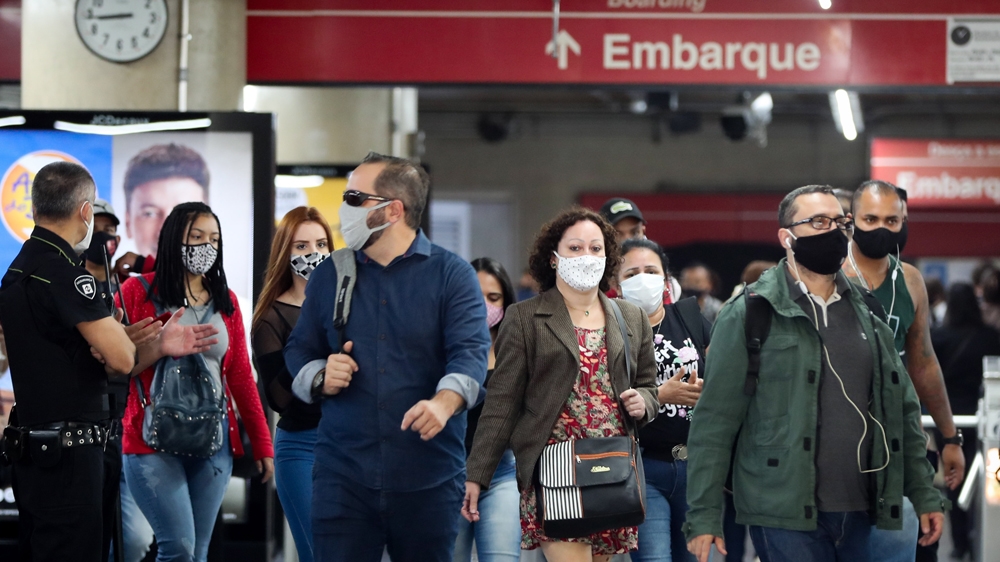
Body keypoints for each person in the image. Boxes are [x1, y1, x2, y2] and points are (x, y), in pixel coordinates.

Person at [685, 185, 946, 562]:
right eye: (819, 222)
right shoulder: (750, 312)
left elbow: (902, 410)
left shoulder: (868, 313)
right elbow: (714, 422)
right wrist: (704, 515)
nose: (834, 231)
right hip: (782, 510)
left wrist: (924, 493)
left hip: (865, 507)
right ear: (786, 237)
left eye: (840, 222)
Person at [284, 152, 491, 562]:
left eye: (354, 197)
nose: (343, 208)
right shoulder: (330, 274)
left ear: (393, 210)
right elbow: (300, 348)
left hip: (428, 480)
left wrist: (443, 402)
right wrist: (321, 374)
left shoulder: (452, 276)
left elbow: (470, 354)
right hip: (342, 478)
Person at [464, 207, 660, 562]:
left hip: (612, 467)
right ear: (553, 258)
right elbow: (501, 403)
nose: (587, 257)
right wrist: (478, 474)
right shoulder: (525, 317)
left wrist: (644, 401)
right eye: (575, 248)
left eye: (596, 248)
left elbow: (649, 384)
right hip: (555, 471)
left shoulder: (630, 316)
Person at [118, 202, 274, 562]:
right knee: (179, 549)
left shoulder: (227, 300)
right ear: (174, 240)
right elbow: (115, 367)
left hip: (213, 439)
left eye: (214, 239)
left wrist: (263, 444)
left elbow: (240, 376)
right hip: (149, 439)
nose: (207, 246)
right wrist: (159, 348)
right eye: (196, 237)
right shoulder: (135, 292)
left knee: (198, 552)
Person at [0, 162, 137, 562]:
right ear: (84, 212)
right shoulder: (64, 275)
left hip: (37, 454)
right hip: (70, 458)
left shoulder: (18, 269)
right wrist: (116, 343)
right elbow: (122, 357)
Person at [844, 180, 963, 561]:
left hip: (897, 433)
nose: (882, 228)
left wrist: (950, 437)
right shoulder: (829, 272)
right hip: (836, 434)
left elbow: (924, 363)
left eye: (893, 220)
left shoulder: (910, 280)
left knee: (902, 543)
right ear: (852, 220)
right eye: (871, 218)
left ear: (906, 221)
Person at [251, 206, 334, 562]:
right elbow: (281, 398)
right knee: (319, 553)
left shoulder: (348, 306)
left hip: (352, 445)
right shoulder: (270, 318)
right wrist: (309, 337)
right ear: (285, 253)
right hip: (302, 446)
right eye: (301, 246)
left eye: (320, 243)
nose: (313, 254)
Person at [617, 238, 708, 562]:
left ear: (667, 279)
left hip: (695, 466)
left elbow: (723, 373)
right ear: (617, 283)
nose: (642, 278)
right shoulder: (612, 328)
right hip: (643, 466)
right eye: (632, 273)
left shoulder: (689, 316)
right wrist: (659, 395)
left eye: (651, 270)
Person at [453, 257, 521, 562]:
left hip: (501, 472)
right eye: (474, 295)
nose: (483, 306)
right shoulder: (440, 345)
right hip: (448, 473)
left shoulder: (516, 349)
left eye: (493, 298)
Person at [931, 283, 1000, 560]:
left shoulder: (939, 337)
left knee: (954, 479)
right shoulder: (991, 337)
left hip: (946, 418)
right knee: (988, 482)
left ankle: (960, 542)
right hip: (986, 418)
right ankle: (982, 533)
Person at [114, 143, 210, 279]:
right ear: (128, 222)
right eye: (150, 213)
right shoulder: (120, 296)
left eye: (183, 215)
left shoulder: (226, 299)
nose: (166, 232)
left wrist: (145, 265)